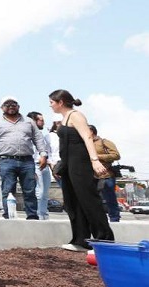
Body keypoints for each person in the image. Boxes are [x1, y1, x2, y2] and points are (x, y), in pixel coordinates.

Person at [48, 90, 114, 251]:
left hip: (80, 162)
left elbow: (87, 137)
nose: (50, 105)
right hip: (68, 163)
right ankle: (81, 240)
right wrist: (61, 166)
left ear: (60, 102)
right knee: (72, 202)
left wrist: (95, 160)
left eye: (52, 102)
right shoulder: (64, 119)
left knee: (88, 200)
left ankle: (104, 240)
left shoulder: (76, 115)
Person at [0, 97, 47, 220]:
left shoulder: (28, 121)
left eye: (14, 104)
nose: (11, 106)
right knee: (8, 190)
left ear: (18, 106)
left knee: (30, 190)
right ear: (1, 107)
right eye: (7, 104)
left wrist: (43, 154)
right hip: (6, 160)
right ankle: (9, 216)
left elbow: (38, 139)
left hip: (27, 161)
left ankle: (32, 217)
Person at [89, 125, 122, 223]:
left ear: (92, 131)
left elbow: (116, 155)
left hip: (106, 175)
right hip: (91, 176)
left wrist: (97, 156)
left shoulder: (104, 142)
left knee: (110, 198)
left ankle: (114, 219)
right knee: (92, 200)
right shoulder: (85, 143)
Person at [26, 111, 54, 220]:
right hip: (35, 165)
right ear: (34, 121)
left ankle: (44, 214)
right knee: (39, 192)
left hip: (45, 165)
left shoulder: (41, 135)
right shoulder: (29, 135)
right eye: (41, 120)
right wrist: (31, 169)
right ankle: (37, 214)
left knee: (45, 193)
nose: (43, 122)